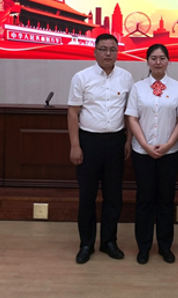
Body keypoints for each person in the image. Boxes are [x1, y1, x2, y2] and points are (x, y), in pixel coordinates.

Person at [67, 33, 134, 264]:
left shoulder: (126, 77)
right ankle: (86, 244)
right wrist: (75, 145)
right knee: (87, 196)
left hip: (115, 141)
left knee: (113, 195)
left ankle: (108, 242)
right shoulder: (81, 77)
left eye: (112, 49)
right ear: (95, 52)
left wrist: (128, 141)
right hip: (89, 142)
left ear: (117, 52)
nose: (108, 53)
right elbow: (73, 112)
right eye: (103, 49)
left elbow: (129, 112)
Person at [125, 44, 178, 265]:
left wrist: (169, 144)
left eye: (162, 58)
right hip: (142, 153)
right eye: (153, 58)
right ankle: (143, 247)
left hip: (170, 153)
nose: (158, 62)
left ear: (168, 61)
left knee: (166, 200)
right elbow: (132, 118)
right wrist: (145, 145)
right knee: (144, 199)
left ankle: (165, 246)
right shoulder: (138, 88)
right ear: (147, 61)